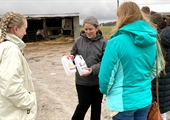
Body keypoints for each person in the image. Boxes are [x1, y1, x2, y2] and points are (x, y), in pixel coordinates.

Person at [98, 1, 165, 120]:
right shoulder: (152, 41)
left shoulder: (115, 43)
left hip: (122, 102)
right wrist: (142, 81)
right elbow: (157, 68)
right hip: (144, 99)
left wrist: (106, 92)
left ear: (121, 17)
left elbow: (105, 77)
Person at [0, 11, 37, 120]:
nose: (25, 33)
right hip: (13, 113)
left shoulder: (3, 46)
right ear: (16, 29)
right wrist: (29, 101)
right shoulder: (11, 49)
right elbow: (10, 86)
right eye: (25, 29)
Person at [69, 16, 107, 120]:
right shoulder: (78, 41)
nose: (88, 32)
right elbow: (73, 54)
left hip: (97, 81)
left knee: (96, 106)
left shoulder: (104, 43)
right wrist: (71, 58)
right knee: (83, 104)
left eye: (90, 29)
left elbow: (105, 62)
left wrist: (93, 70)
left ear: (97, 28)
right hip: (82, 81)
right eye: (86, 29)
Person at [150, 12, 170, 120]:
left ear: (155, 26)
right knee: (160, 113)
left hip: (157, 81)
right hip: (166, 83)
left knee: (155, 112)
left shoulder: (157, 41)